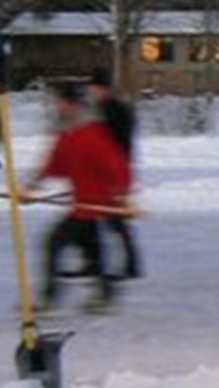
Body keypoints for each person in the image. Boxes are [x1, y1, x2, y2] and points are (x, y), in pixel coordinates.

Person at [28, 83, 133, 311]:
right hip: (82, 204)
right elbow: (56, 164)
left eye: (61, 103)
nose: (57, 107)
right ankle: (105, 294)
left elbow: (115, 164)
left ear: (73, 105)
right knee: (92, 252)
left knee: (53, 243)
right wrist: (32, 186)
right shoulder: (68, 133)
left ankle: (49, 297)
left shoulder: (92, 133)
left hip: (92, 204)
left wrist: (121, 193)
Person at [87, 70, 143, 279]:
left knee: (114, 220)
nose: (91, 92)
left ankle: (130, 265)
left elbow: (116, 143)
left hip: (114, 171)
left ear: (104, 88)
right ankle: (95, 262)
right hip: (106, 170)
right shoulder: (103, 109)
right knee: (93, 217)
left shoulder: (114, 110)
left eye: (94, 88)